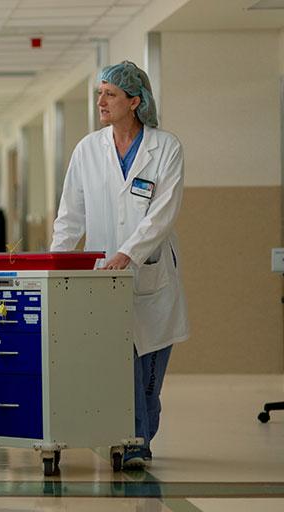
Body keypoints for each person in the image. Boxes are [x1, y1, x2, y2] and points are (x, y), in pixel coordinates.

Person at [50, 61, 188, 468]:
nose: (101, 102)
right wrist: (56, 262)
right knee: (117, 359)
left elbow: (163, 212)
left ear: (135, 101)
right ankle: (135, 441)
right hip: (101, 277)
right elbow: (70, 214)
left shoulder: (166, 147)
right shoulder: (88, 149)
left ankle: (141, 431)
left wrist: (129, 253)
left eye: (110, 94)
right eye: (99, 93)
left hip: (149, 270)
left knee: (149, 367)